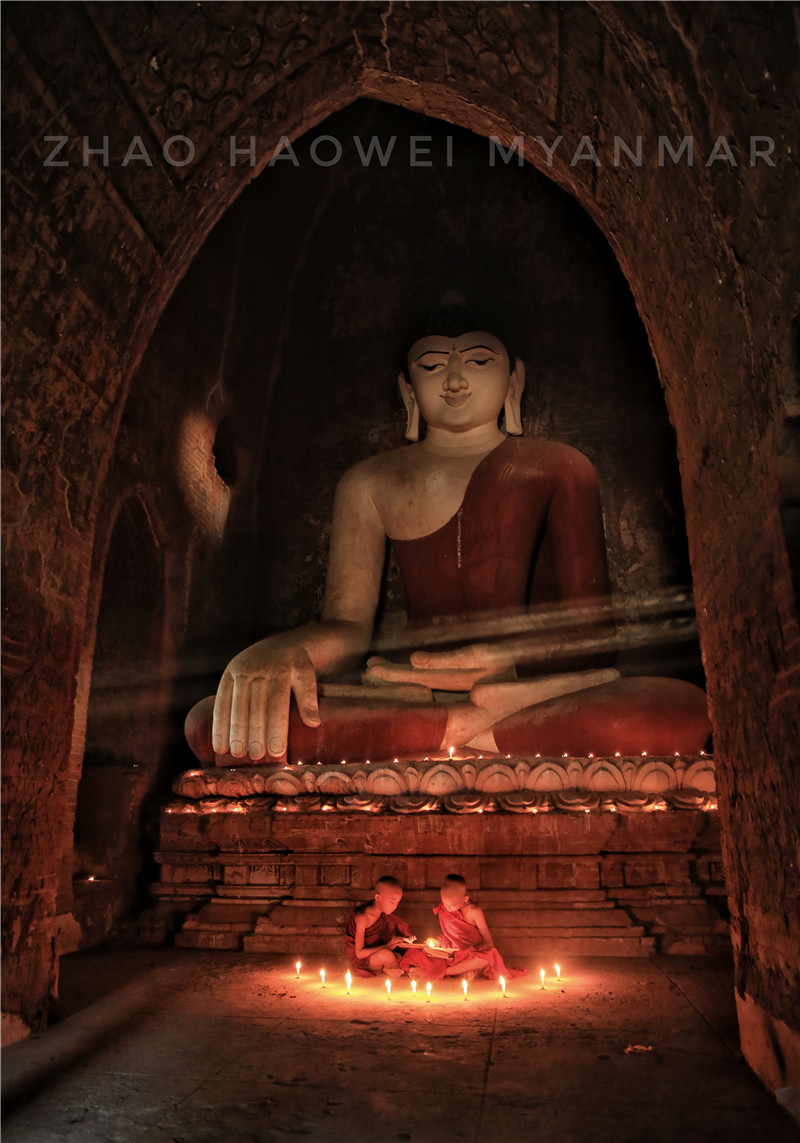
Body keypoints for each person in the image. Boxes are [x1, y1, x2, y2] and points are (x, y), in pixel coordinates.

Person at [185, 297, 711, 766]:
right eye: (433, 365)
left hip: (525, 690)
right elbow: (348, 628)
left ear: (514, 381)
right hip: (407, 690)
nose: (455, 381)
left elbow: (591, 635)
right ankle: (481, 735)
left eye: (479, 361)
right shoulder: (369, 481)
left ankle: (446, 736)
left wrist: (505, 662)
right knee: (215, 720)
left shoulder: (559, 466)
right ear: (407, 389)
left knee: (676, 710)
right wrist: (280, 652)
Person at [345, 875, 415, 978]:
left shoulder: (384, 915)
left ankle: (389, 969)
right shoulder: (363, 918)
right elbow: (359, 954)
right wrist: (386, 946)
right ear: (378, 897)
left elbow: (395, 930)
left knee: (399, 956)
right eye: (392, 902)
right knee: (387, 956)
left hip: (378, 953)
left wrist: (404, 939)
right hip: (363, 960)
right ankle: (398, 973)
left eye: (397, 903)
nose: (394, 906)